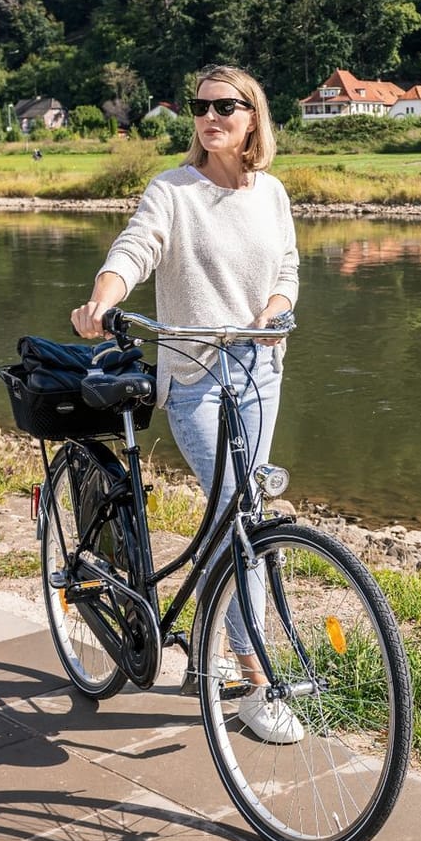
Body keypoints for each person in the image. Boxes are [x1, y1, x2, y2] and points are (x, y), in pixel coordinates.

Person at [70, 64, 301, 744]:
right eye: (201, 106)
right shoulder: (172, 190)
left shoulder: (273, 192)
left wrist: (273, 311)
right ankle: (258, 686)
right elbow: (136, 247)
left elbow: (288, 268)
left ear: (253, 116)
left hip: (261, 368)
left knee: (242, 517)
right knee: (238, 515)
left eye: (226, 106)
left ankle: (216, 652)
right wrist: (105, 298)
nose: (210, 116)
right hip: (197, 378)